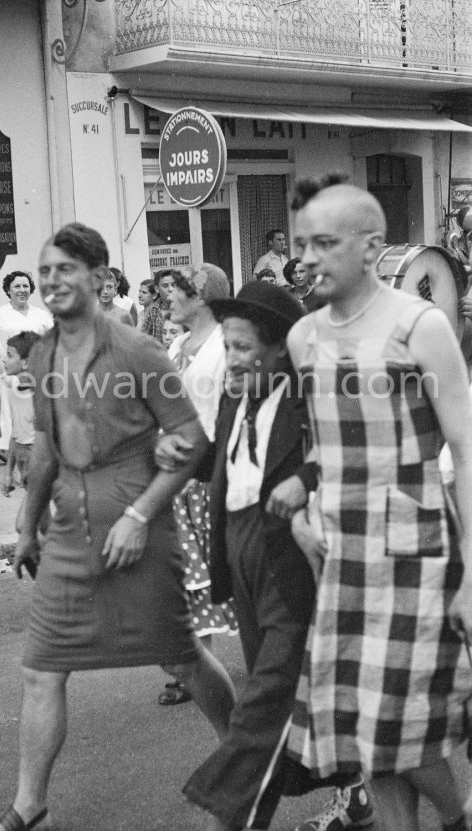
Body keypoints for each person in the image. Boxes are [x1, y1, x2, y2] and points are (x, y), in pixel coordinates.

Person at [0, 222, 236, 831]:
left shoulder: (136, 350)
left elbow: (189, 436)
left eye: (65, 270)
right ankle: (30, 805)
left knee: (182, 659)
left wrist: (138, 514)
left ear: (99, 279)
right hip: (68, 533)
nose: (51, 281)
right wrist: (26, 528)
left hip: (140, 529)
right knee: (41, 667)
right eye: (45, 270)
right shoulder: (45, 352)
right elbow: (46, 448)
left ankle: (242, 773)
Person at [277, 176, 472, 831]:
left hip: (417, 550)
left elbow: (467, 451)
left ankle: (456, 812)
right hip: (343, 555)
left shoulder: (422, 325)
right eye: (301, 243)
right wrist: (305, 506)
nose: (307, 256)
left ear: (371, 247)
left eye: (325, 242)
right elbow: (323, 443)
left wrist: (471, 568)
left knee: (400, 727)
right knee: (368, 734)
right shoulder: (303, 336)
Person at [157, 280, 371, 831]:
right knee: (298, 695)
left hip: (292, 560)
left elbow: (359, 449)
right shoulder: (236, 393)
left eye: (244, 348)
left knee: (266, 703)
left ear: (281, 349)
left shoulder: (315, 396)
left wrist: (305, 477)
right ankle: (361, 789)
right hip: (242, 553)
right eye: (228, 346)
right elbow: (223, 463)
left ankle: (228, 815)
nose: (232, 359)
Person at [157, 264, 238, 707]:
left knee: (215, 572)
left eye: (177, 289)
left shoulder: (226, 345)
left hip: (209, 475)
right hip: (175, 476)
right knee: (185, 573)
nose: (167, 296)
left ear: (202, 297)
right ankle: (194, 663)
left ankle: (203, 664)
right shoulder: (175, 343)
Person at [0, 271, 53, 462]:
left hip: (36, 374)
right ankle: (13, 455)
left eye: (25, 286)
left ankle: (35, 452)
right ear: (8, 290)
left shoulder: (42, 315)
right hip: (10, 374)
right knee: (10, 415)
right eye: (17, 286)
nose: (22, 290)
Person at [1, 330, 48, 535]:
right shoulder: (13, 392)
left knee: (23, 525)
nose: (4, 359)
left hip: (39, 461)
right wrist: (9, 472)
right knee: (46, 525)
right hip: (23, 458)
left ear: (27, 362)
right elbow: (15, 433)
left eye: (10, 355)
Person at [142, 268, 175, 341]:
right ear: (157, 289)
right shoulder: (154, 309)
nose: (170, 289)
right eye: (165, 286)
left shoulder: (185, 307)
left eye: (173, 285)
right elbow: (144, 335)